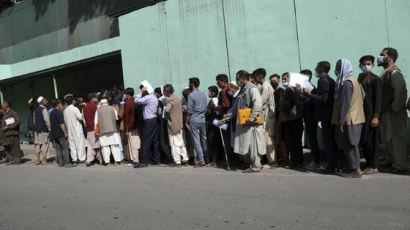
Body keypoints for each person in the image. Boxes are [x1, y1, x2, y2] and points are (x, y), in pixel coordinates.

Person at [332, 59, 365, 178]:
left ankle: (355, 169)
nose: (335, 70)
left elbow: (345, 103)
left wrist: (341, 121)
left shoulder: (346, 83)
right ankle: (355, 167)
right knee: (352, 144)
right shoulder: (353, 80)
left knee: (350, 144)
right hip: (356, 117)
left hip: (350, 119)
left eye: (337, 67)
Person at [378, 47, 409, 172]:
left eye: (382, 55)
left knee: (396, 139)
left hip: (394, 112)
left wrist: (395, 108)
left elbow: (400, 91)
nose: (379, 57)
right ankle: (393, 161)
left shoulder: (394, 73)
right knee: (388, 139)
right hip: (387, 111)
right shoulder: (387, 72)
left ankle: (401, 165)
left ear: (389, 58)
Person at [304, 61, 338, 174]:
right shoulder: (330, 80)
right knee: (330, 141)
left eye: (317, 67)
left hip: (326, 116)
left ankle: (332, 166)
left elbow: (323, 99)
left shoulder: (323, 81)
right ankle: (333, 164)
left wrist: (309, 94)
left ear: (322, 68)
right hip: (329, 115)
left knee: (328, 142)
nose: (315, 69)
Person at [234, 70, 266, 172]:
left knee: (254, 145)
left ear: (243, 78)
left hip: (253, 124)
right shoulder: (243, 89)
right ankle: (255, 164)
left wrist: (251, 118)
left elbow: (258, 105)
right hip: (246, 124)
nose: (237, 81)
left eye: (238, 79)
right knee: (249, 145)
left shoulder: (252, 89)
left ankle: (256, 166)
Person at [357, 55, 382, 174]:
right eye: (364, 64)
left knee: (372, 140)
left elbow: (378, 99)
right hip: (362, 114)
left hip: (372, 114)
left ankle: (374, 165)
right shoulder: (360, 78)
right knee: (364, 140)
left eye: (368, 64)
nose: (366, 66)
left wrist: (376, 116)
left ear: (372, 65)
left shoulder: (376, 79)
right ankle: (368, 163)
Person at [279, 72, 304, 169]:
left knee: (293, 142)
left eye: (285, 79)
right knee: (297, 142)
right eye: (283, 79)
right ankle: (298, 162)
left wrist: (281, 103)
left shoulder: (289, 89)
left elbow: (287, 105)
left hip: (291, 119)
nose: (283, 81)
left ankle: (295, 162)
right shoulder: (295, 89)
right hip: (296, 118)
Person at [253, 68, 276, 167]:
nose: (254, 79)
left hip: (268, 116)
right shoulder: (265, 85)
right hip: (267, 115)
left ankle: (272, 161)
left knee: (268, 139)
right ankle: (270, 160)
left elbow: (260, 102)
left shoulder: (265, 87)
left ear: (259, 76)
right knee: (267, 138)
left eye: (255, 77)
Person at [134, 84, 161, 168]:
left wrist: (141, 92)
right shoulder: (153, 97)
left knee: (145, 142)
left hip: (149, 122)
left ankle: (144, 162)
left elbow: (136, 101)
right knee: (155, 141)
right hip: (154, 121)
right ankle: (157, 160)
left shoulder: (148, 98)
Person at [163, 84, 189, 167]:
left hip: (173, 124)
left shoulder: (170, 100)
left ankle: (177, 161)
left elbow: (167, 110)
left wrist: (167, 117)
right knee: (182, 142)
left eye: (164, 91)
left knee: (174, 144)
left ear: (167, 91)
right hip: (180, 123)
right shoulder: (177, 98)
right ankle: (185, 159)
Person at [186, 77, 208, 167]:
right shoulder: (203, 94)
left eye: (189, 83)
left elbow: (189, 111)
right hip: (202, 119)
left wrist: (186, 122)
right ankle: (207, 159)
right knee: (204, 140)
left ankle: (202, 161)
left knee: (196, 141)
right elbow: (205, 109)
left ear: (192, 84)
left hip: (194, 120)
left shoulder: (191, 95)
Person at [95, 99, 122, 166]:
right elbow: (116, 118)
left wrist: (97, 131)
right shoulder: (112, 108)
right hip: (113, 129)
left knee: (105, 147)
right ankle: (117, 161)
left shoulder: (98, 110)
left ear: (101, 104)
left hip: (103, 130)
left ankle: (107, 162)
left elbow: (96, 122)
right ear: (107, 102)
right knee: (115, 146)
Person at [270, 74, 289, 167]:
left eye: (274, 80)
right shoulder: (272, 92)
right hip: (274, 118)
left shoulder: (281, 91)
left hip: (280, 119)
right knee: (277, 139)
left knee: (282, 140)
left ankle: (285, 160)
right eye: (271, 80)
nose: (273, 82)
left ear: (278, 81)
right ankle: (281, 158)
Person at [49, 99, 75, 168]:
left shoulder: (51, 113)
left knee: (58, 149)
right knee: (65, 148)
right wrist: (65, 132)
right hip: (60, 133)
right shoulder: (59, 112)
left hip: (54, 133)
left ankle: (60, 163)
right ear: (58, 104)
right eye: (60, 103)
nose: (61, 104)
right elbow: (61, 124)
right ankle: (66, 162)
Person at [64, 96, 87, 164]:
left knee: (72, 145)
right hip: (77, 129)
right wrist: (83, 110)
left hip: (69, 129)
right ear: (73, 101)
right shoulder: (75, 109)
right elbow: (80, 117)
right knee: (79, 144)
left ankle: (74, 159)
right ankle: (81, 159)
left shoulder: (65, 110)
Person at [82, 93, 102, 167]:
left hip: (89, 128)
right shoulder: (97, 106)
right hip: (97, 128)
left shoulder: (84, 108)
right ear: (93, 98)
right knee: (99, 144)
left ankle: (89, 160)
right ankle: (100, 159)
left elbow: (83, 120)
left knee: (90, 145)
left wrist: (86, 125)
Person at [123, 88, 141, 165]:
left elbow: (126, 117)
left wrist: (126, 129)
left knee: (133, 144)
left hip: (131, 125)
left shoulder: (127, 103)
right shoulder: (137, 101)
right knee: (138, 142)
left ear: (127, 94)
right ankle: (139, 157)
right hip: (138, 124)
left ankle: (135, 159)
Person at [206, 85, 221, 165]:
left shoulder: (212, 101)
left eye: (210, 91)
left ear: (214, 92)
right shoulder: (217, 99)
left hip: (212, 123)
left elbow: (210, 112)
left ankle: (214, 160)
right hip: (217, 122)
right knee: (217, 141)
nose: (209, 93)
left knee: (212, 141)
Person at [33, 96, 51, 165]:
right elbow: (47, 120)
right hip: (43, 129)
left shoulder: (35, 110)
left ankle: (37, 160)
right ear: (42, 101)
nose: (46, 101)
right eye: (45, 100)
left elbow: (34, 120)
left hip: (36, 129)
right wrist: (49, 129)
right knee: (44, 144)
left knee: (37, 144)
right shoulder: (44, 109)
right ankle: (44, 159)